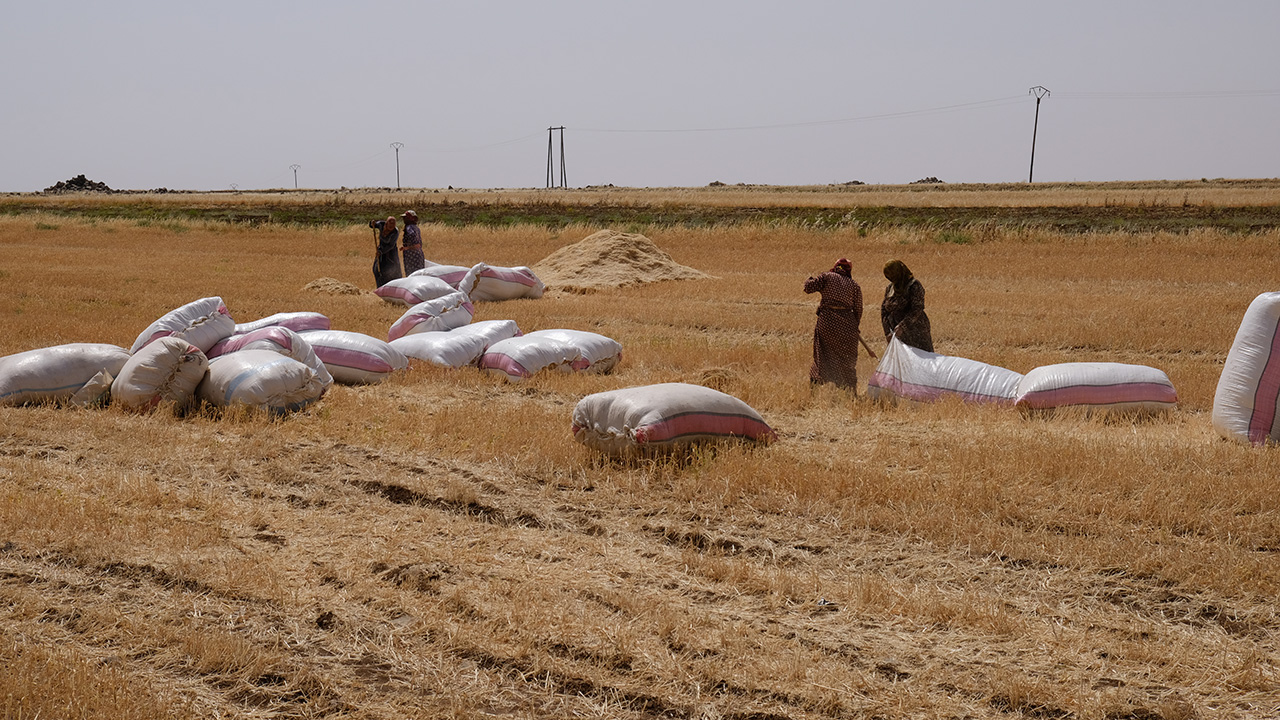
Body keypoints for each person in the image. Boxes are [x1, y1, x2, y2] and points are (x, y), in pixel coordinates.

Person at [803, 257, 867, 391]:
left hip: (827, 322)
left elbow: (808, 288)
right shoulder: (854, 285)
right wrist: (854, 327)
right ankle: (850, 391)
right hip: (848, 325)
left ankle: (814, 389)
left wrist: (809, 278)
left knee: (823, 355)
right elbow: (858, 309)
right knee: (846, 359)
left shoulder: (827, 277)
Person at [880, 259, 933, 352]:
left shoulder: (914, 286)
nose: (891, 279)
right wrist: (887, 332)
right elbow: (884, 310)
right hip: (896, 334)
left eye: (892, 275)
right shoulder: (890, 287)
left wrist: (902, 326)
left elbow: (917, 309)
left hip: (915, 331)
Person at [370, 216, 402, 288]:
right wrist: (372, 223)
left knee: (390, 271)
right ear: (386, 223)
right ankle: (380, 288)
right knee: (376, 269)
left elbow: (390, 245)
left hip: (390, 253)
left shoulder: (395, 232)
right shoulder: (381, 224)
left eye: (393, 225)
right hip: (381, 250)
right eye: (390, 225)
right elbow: (373, 225)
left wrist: (381, 252)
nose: (391, 227)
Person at [400, 210, 425, 275]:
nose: (404, 219)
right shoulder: (416, 227)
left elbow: (412, 235)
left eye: (406, 218)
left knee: (412, 275)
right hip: (418, 255)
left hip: (411, 257)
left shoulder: (409, 228)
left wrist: (406, 247)